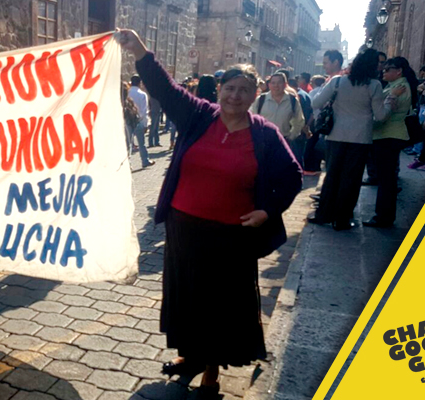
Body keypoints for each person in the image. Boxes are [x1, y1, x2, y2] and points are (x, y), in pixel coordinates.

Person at [117, 29, 302, 398]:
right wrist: (138, 49)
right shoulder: (199, 115)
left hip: (231, 236)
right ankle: (190, 357)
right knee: (186, 297)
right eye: (229, 88)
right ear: (219, 91)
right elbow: (165, 89)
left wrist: (268, 209)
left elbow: (292, 175)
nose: (235, 96)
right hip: (184, 228)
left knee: (219, 306)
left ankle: (212, 372)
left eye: (244, 91)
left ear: (255, 95)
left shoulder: (264, 134)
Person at [308, 49, 403, 230]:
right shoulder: (374, 85)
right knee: (351, 180)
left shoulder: (337, 82)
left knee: (332, 176)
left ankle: (324, 214)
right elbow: (381, 115)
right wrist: (391, 101)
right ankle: (342, 219)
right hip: (360, 138)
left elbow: (315, 103)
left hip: (336, 135)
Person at [364, 57, 418, 228]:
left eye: (388, 69)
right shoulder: (396, 86)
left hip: (388, 136)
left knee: (386, 179)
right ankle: (384, 215)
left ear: (399, 71)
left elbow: (382, 116)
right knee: (387, 178)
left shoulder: (398, 88)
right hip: (388, 136)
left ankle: (383, 216)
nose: (384, 72)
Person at [251, 73, 306, 167]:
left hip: (283, 142)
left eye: (279, 83)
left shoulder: (292, 100)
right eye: (273, 83)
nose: (276, 86)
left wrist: (291, 136)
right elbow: (252, 118)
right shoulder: (261, 100)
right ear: (269, 85)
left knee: (280, 171)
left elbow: (299, 121)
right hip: (262, 142)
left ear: (285, 84)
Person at [128, 76, 155, 167]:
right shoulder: (142, 94)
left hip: (127, 120)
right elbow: (144, 110)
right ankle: (145, 160)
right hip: (138, 120)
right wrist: (146, 123)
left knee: (128, 144)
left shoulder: (126, 93)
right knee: (141, 143)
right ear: (140, 83)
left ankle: (128, 164)